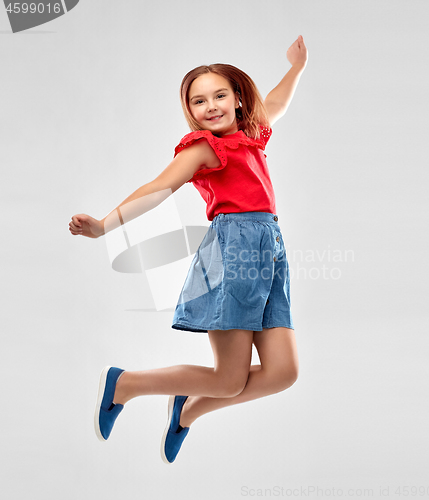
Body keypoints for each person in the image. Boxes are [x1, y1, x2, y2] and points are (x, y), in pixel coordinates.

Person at [69, 35, 308, 464]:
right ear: (190, 111)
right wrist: (105, 226)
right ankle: (125, 384)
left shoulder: (252, 135)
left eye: (219, 95)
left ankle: (187, 409)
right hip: (233, 253)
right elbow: (157, 188)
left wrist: (296, 67)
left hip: (269, 251)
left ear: (237, 99)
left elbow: (276, 103)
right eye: (198, 101)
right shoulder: (205, 149)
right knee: (229, 378)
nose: (210, 106)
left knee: (283, 373)